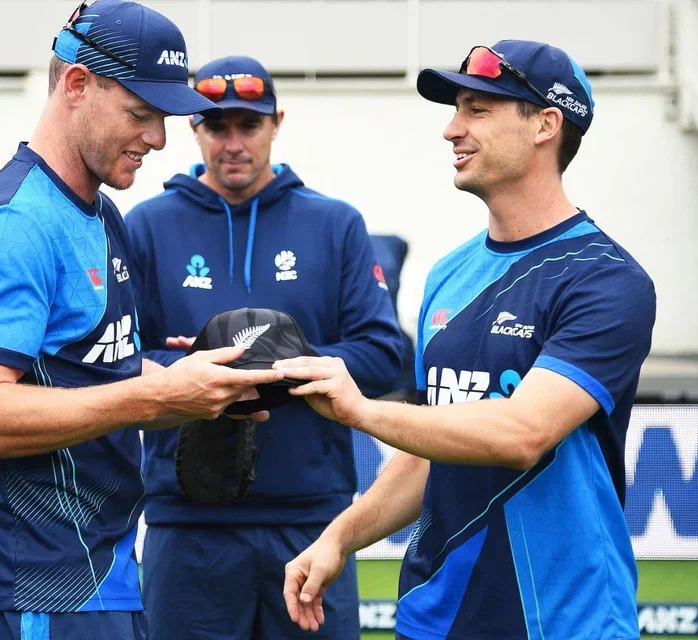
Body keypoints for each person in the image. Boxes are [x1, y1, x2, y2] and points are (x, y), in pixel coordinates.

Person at [279, 40, 656, 640]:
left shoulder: (607, 279)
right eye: (456, 108)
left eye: (478, 109)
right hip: (437, 617)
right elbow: (437, 443)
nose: (452, 129)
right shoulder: (448, 274)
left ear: (546, 126)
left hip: (564, 621)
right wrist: (339, 539)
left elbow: (522, 434)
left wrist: (361, 411)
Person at [0, 4, 282, 639]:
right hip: (24, 591)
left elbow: (101, 375)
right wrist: (154, 395)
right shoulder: (12, 226)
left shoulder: (99, 213)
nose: (159, 138)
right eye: (140, 114)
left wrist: (207, 389)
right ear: (76, 85)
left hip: (100, 576)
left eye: (165, 119)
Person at [125, 55, 403, 639]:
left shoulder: (335, 224)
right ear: (193, 128)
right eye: (216, 126)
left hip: (313, 522)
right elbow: (119, 358)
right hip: (187, 522)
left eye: (248, 125)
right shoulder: (146, 225)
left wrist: (271, 364)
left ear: (276, 123)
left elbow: (382, 356)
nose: (232, 143)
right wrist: (192, 367)